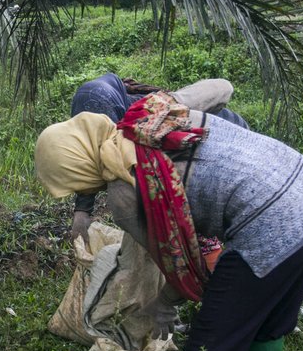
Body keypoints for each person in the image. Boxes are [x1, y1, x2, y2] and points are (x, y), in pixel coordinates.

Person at [35, 91, 303, 351]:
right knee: (271, 318)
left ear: (77, 167)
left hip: (269, 225)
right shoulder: (151, 115)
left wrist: (161, 305)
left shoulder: (122, 193)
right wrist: (172, 97)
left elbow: (180, 265)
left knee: (206, 347)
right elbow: (223, 87)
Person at [68, 73, 250, 243]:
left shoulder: (148, 128)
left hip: (230, 137)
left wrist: (83, 211)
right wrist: (82, 211)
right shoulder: (96, 130)